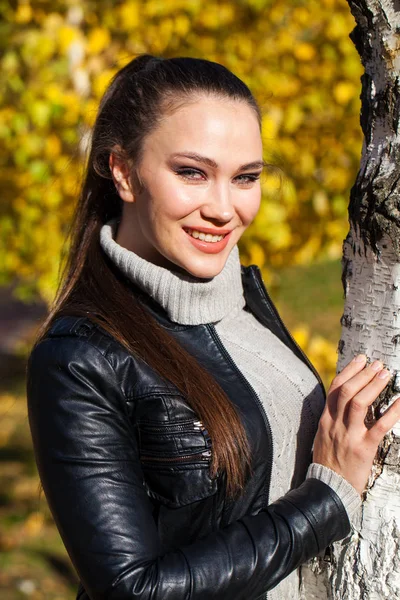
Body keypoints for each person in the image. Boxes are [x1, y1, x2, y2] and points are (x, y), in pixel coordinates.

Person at [26, 54, 400, 600]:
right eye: (192, 173)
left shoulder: (242, 302)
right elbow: (134, 589)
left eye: (246, 177)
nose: (224, 209)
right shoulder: (79, 360)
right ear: (123, 171)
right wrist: (325, 499)